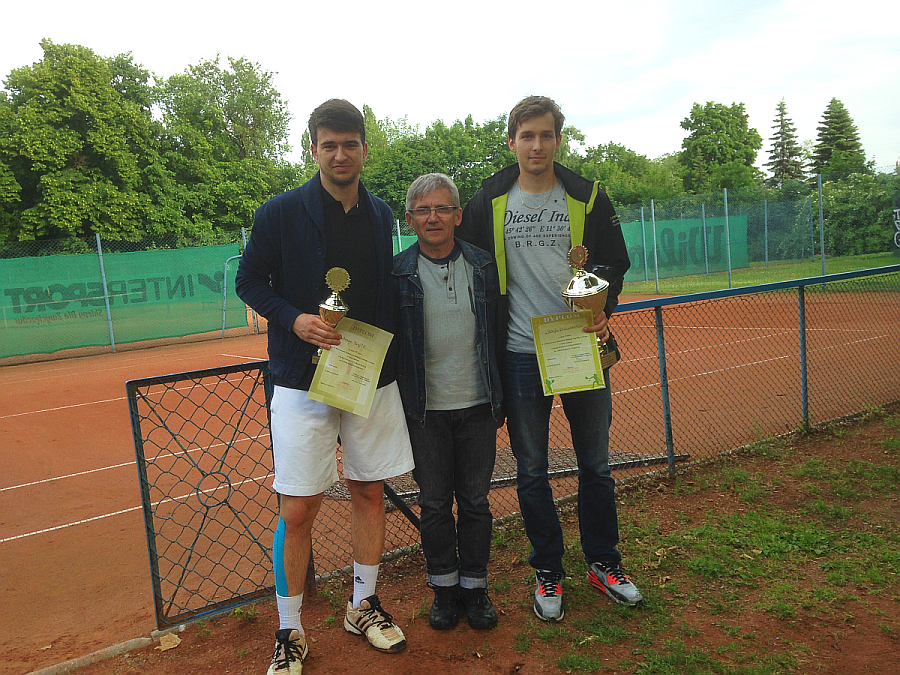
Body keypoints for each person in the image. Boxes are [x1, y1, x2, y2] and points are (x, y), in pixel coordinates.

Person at [235, 99, 414, 674]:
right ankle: (290, 630)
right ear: (314, 149)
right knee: (299, 506)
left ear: (364, 148)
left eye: (349, 144)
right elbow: (248, 280)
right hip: (300, 378)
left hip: (368, 374)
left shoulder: (380, 213)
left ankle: (362, 605)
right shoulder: (279, 212)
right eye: (329, 145)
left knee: (369, 491)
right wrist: (293, 319)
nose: (340, 154)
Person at [457, 95, 642, 623]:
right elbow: (468, 262)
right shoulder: (489, 197)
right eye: (527, 136)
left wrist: (602, 308)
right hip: (520, 352)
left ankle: (604, 563)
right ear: (511, 142)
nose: (536, 145)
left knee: (596, 465)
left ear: (558, 140)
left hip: (580, 345)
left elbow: (615, 262)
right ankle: (548, 570)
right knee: (532, 470)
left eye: (545, 135)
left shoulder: (586, 195)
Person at [391, 174, 503, 631]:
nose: (432, 218)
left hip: (478, 406)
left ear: (458, 215)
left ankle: (475, 588)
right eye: (422, 210)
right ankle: (443, 589)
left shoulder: (483, 264)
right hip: (424, 412)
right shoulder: (396, 273)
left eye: (442, 209)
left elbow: (499, 331)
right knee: (435, 504)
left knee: (475, 502)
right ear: (409, 219)